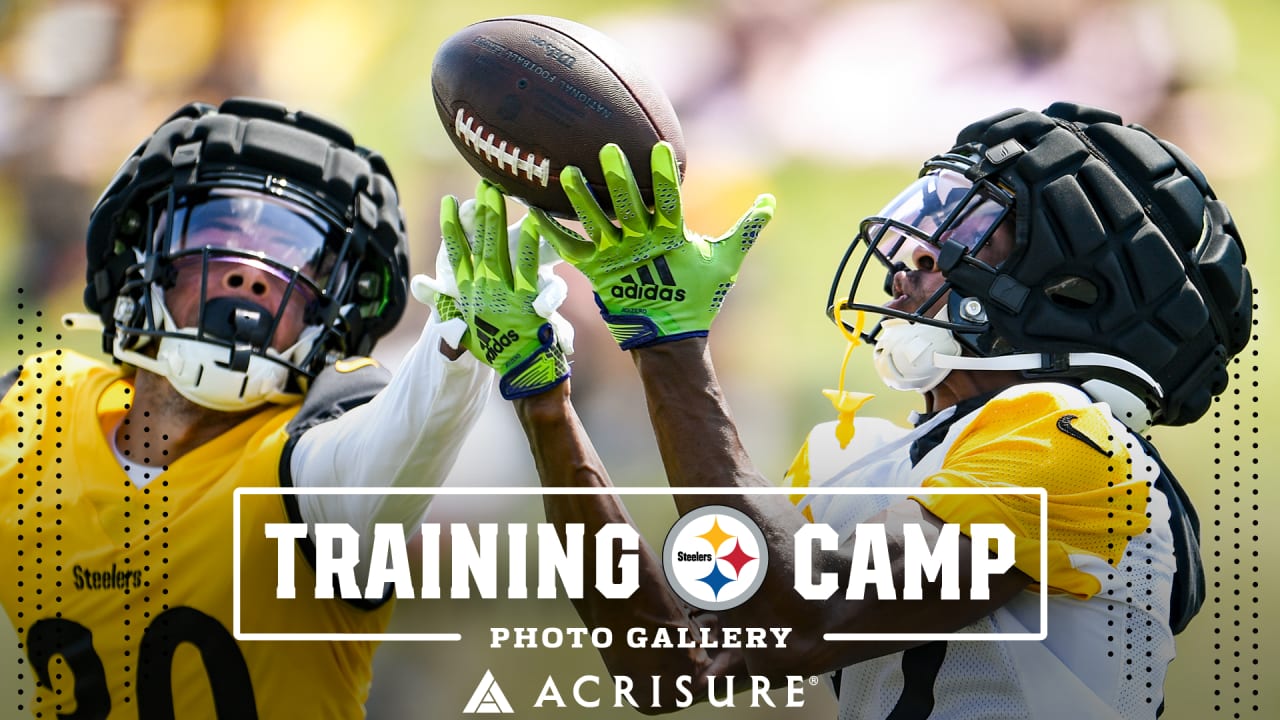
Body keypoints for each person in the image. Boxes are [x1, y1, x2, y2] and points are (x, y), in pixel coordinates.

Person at [431, 102, 1252, 718]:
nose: (920, 246)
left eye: (981, 226)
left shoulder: (1083, 447)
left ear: (1079, 291)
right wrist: (544, 401)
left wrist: (670, 342)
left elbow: (794, 597)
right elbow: (668, 666)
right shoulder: (867, 460)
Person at [0, 98, 514, 718]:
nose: (252, 271)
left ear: (333, 312)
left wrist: (459, 337)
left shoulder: (307, 462)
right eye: (218, 230)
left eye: (292, 254)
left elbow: (401, 441)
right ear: (145, 259)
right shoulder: (26, 411)